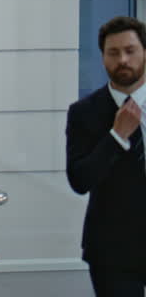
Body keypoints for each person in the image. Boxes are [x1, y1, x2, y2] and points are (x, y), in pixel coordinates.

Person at [67, 15, 146, 296]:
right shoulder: (83, 112)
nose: (122, 59)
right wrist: (116, 137)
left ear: (144, 53)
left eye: (130, 50)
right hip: (112, 252)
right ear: (103, 58)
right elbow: (79, 180)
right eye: (113, 53)